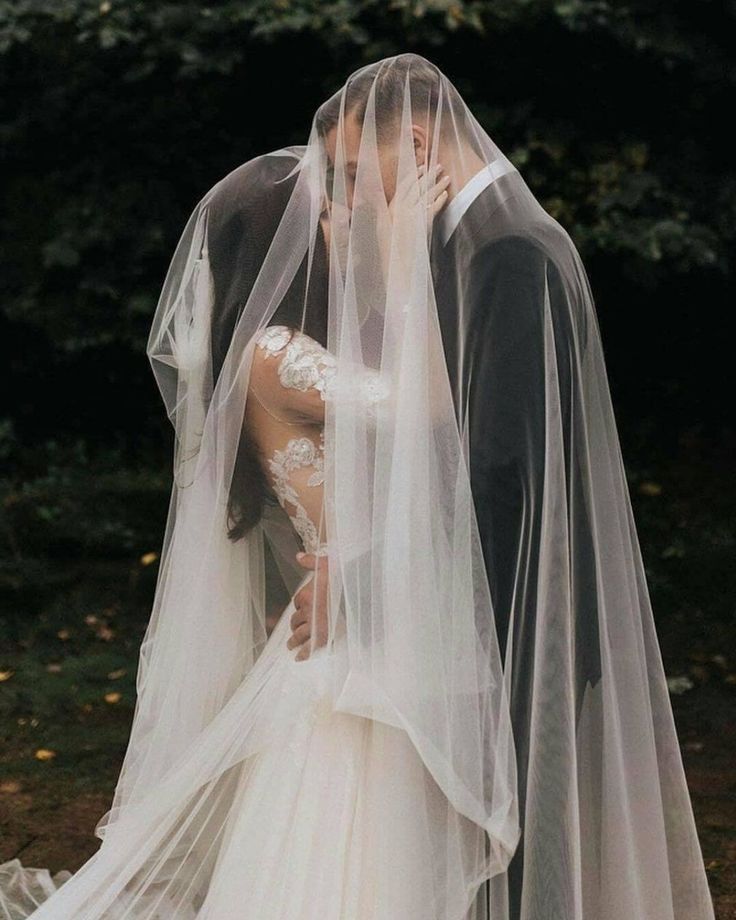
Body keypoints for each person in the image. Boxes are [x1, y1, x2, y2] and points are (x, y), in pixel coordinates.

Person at [0, 53, 715, 920]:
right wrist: (411, 271)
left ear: (413, 143)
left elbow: (494, 473)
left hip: (430, 619)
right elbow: (435, 431)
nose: (344, 209)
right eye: (326, 201)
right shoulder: (284, 353)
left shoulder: (506, 256)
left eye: (343, 182)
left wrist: (364, 576)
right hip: (375, 637)